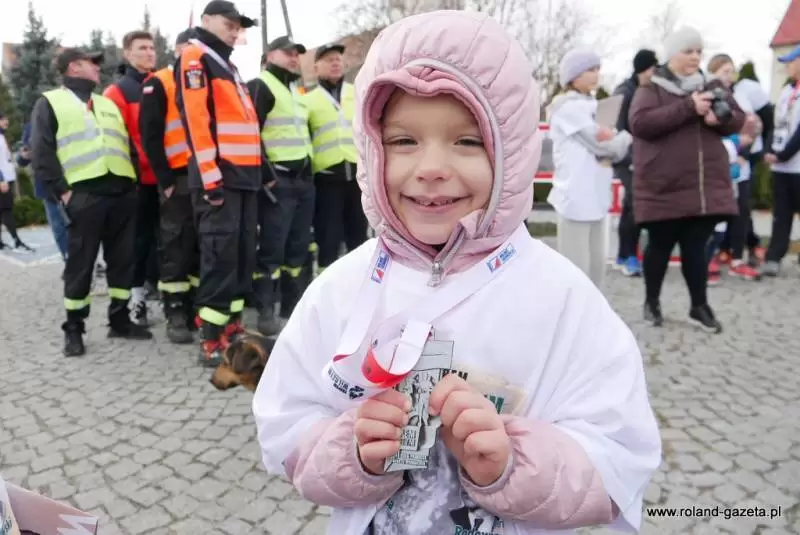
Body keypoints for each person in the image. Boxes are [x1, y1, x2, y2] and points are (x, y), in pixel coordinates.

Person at [253, 10, 661, 535]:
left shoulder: (561, 297)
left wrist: (513, 465)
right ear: (372, 148)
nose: (430, 168)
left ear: (511, 152)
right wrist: (352, 452)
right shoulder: (340, 289)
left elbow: (620, 453)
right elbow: (286, 424)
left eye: (467, 142)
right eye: (403, 141)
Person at [31, 48, 153, 356]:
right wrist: (63, 192)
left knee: (123, 261)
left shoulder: (106, 103)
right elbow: (42, 152)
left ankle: (119, 320)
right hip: (84, 194)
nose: (99, 68)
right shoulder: (50, 102)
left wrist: (134, 183)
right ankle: (74, 328)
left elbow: (126, 145)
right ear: (74, 67)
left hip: (122, 192)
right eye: (92, 63)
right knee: (81, 265)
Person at [628, 27, 745, 333]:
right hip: (663, 185)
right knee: (659, 247)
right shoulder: (651, 87)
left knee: (696, 249)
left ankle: (699, 306)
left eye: (699, 51)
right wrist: (688, 107)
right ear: (672, 54)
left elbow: (738, 117)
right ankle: (652, 301)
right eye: (688, 51)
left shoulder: (712, 85)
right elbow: (640, 123)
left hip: (702, 188)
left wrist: (719, 118)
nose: (695, 57)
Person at [177, 0, 261, 366]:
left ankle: (232, 330)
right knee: (220, 257)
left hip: (243, 178)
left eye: (237, 26)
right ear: (207, 20)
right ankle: (210, 339)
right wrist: (211, 178)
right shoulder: (196, 57)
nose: (234, 30)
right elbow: (197, 121)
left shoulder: (227, 64)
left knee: (241, 258)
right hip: (220, 179)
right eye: (228, 23)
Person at [547, 50, 632, 290]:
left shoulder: (596, 106)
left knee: (596, 270)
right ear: (573, 76)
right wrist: (624, 138)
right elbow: (600, 144)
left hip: (597, 194)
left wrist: (615, 141)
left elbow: (612, 149)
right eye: (589, 70)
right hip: (575, 196)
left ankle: (595, 312)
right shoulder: (566, 107)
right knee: (576, 271)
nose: (596, 75)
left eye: (597, 69)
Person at [246, 35, 314, 336]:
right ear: (270, 55)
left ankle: (291, 306)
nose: (294, 58)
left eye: (297, 54)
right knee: (272, 249)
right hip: (279, 181)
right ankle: (265, 311)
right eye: (288, 53)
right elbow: (250, 133)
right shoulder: (261, 85)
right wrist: (266, 175)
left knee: (298, 248)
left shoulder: (295, 90)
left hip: (302, 181)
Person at [140, 29, 198, 344]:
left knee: (202, 246)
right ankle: (175, 311)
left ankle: (195, 309)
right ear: (177, 49)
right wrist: (165, 181)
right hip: (178, 177)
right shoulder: (160, 82)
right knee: (176, 245)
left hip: (205, 175)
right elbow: (150, 136)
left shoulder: (205, 79)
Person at [104, 30, 159, 326]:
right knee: (137, 244)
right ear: (127, 54)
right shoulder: (117, 93)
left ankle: (171, 299)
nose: (149, 53)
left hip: (166, 179)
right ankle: (137, 301)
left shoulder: (162, 84)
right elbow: (116, 141)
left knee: (168, 244)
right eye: (142, 48)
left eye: (151, 47)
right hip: (137, 182)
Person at [306, 43, 368, 273]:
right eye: (328, 59)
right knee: (328, 237)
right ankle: (327, 282)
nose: (335, 63)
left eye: (338, 59)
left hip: (358, 178)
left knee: (359, 236)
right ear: (316, 67)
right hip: (326, 179)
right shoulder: (308, 100)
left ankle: (360, 281)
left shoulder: (357, 92)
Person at [705, 54, 762, 282]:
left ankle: (737, 259)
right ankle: (709, 257)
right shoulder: (707, 97)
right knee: (715, 214)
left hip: (741, 166)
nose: (729, 77)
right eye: (725, 72)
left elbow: (752, 128)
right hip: (717, 166)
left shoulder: (740, 98)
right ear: (713, 73)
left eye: (732, 72)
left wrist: (744, 150)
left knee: (740, 212)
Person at [612, 49, 658, 277]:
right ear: (643, 69)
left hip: (641, 157)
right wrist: (630, 156)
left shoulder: (646, 90)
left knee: (631, 207)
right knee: (635, 204)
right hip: (626, 157)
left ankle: (624, 254)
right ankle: (630, 255)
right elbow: (617, 128)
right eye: (652, 68)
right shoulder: (624, 92)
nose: (655, 73)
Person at [763, 45, 800, 277]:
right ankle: (774, 256)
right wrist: (770, 150)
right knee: (781, 213)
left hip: (797, 163)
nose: (786, 66)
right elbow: (775, 124)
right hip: (782, 167)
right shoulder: (787, 91)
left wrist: (784, 154)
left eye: (790, 61)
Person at [16, 122, 65, 258]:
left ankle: (89, 262)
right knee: (59, 229)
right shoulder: (31, 126)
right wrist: (24, 156)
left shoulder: (64, 119)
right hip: (47, 187)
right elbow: (21, 159)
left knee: (81, 227)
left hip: (71, 183)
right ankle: (70, 262)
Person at [0, 113, 34, 253]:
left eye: (6, 119)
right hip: (3, 179)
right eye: (3, 119)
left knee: (3, 210)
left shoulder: (2, 136)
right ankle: (17, 241)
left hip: (8, 177)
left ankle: (2, 242)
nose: (6, 121)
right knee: (7, 210)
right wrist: (1, 179)